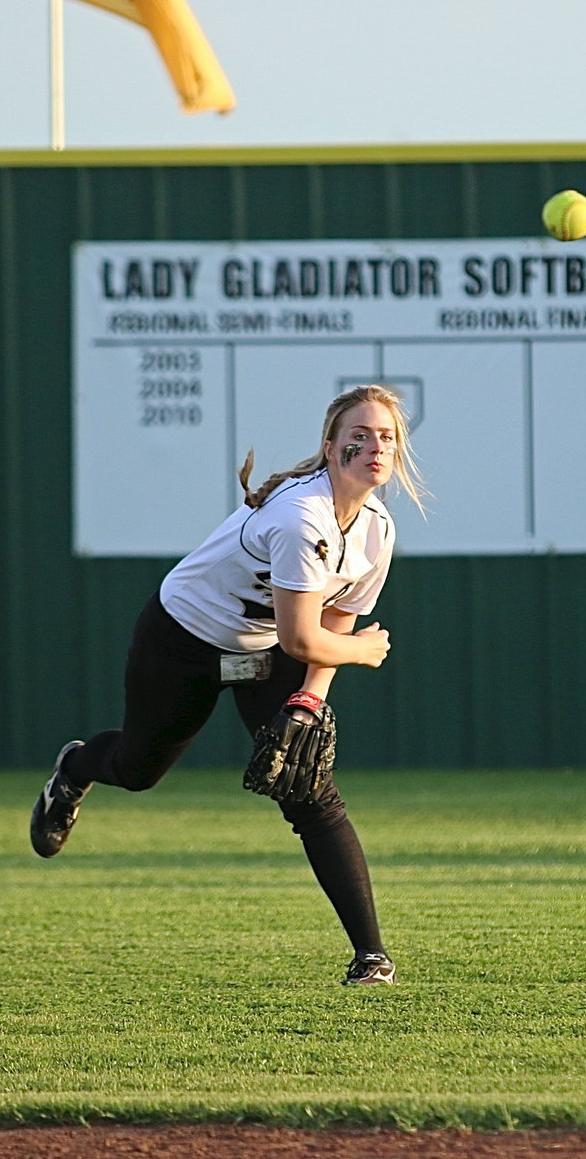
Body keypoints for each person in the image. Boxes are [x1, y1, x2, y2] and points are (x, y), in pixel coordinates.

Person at [30, 383, 425, 985]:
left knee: (310, 792)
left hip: (264, 649)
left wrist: (308, 700)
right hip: (182, 639)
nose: (375, 446)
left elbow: (335, 618)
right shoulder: (302, 517)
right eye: (359, 436)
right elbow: (308, 639)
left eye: (387, 438)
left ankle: (371, 956)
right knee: (137, 770)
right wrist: (364, 654)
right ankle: (78, 766)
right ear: (329, 448)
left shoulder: (376, 528)